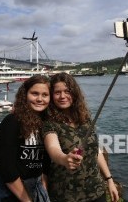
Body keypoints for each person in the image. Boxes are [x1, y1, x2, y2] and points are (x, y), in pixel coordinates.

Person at [43, 72, 119, 202]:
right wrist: (64, 158)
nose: (62, 96)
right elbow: (53, 148)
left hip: (96, 191)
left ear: (74, 93)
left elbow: (96, 151)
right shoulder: (49, 123)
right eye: (57, 92)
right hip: (66, 196)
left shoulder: (85, 119)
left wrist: (109, 179)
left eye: (67, 91)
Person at [0, 75, 51, 202]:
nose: (40, 99)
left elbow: (45, 161)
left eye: (45, 95)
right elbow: (6, 166)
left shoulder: (46, 124)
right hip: (6, 192)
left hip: (33, 186)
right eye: (35, 93)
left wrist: (43, 188)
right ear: (25, 95)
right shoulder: (12, 121)